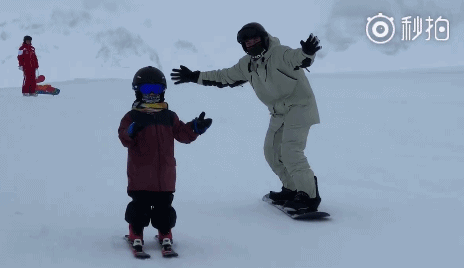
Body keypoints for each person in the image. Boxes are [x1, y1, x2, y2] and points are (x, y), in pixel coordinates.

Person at [171, 22, 323, 214]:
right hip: (279, 112)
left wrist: (307, 52)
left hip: (300, 107)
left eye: (255, 38)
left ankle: (308, 196)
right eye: (247, 41)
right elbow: (223, 76)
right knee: (272, 152)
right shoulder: (247, 64)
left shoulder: (280, 53)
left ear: (264, 38)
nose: (251, 43)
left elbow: (299, 58)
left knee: (291, 151)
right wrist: (195, 76)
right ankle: (292, 189)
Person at [118, 66, 212, 252]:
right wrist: (131, 132)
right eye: (146, 89)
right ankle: (135, 231)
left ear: (163, 91)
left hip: (165, 175)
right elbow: (123, 137)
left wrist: (195, 127)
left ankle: (165, 232)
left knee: (164, 208)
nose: (152, 94)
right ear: (137, 91)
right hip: (140, 176)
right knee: (140, 207)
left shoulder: (169, 116)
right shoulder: (132, 116)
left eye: (157, 89)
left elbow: (182, 134)